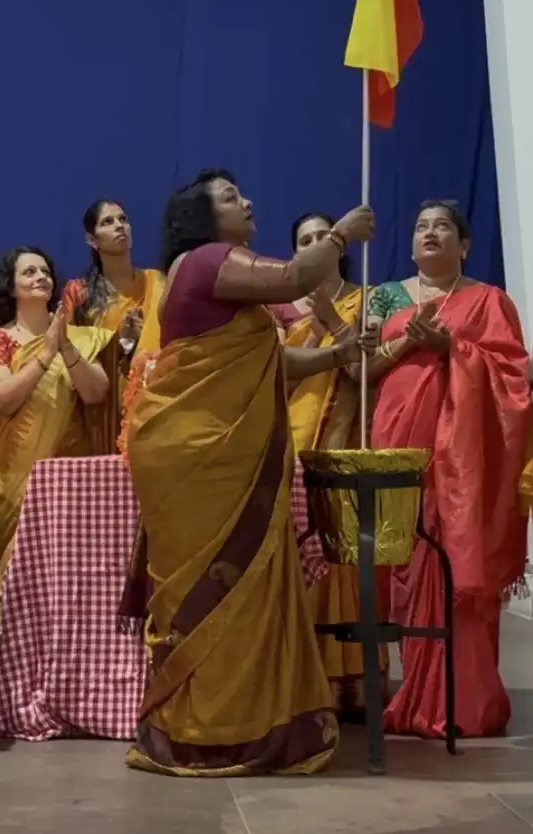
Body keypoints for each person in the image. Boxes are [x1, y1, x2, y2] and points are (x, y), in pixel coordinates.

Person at [123, 171, 374, 776]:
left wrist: (336, 356)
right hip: (199, 458)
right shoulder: (207, 260)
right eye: (233, 198)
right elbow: (294, 277)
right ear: (204, 217)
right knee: (211, 587)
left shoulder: (211, 278)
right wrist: (341, 235)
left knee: (230, 588)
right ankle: (205, 733)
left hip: (208, 456)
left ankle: (231, 726)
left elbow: (268, 360)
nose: (248, 202)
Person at [365, 200, 530, 739]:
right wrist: (403, 344)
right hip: (401, 453)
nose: (429, 233)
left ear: (464, 245)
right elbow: (365, 378)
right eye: (419, 227)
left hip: (463, 466)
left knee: (454, 570)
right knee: (411, 573)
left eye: (441, 227)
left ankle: (464, 702)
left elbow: (515, 382)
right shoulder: (388, 304)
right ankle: (416, 693)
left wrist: (453, 346)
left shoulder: (488, 301)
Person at [271, 212, 380, 719]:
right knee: (298, 560)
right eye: (304, 239)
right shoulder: (277, 312)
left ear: (339, 247)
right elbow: (274, 382)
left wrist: (334, 323)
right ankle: (300, 678)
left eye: (322, 236)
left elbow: (365, 373)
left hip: (342, 442)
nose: (315, 243)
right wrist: (311, 334)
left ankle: (349, 685)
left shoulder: (369, 299)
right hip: (289, 446)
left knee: (339, 563)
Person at [0, 247, 111, 599]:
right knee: (12, 586)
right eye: (29, 272)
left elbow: (96, 392)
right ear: (12, 286)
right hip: (12, 482)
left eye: (45, 272)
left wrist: (64, 345)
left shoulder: (79, 337)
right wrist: (45, 354)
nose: (40, 277)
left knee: (64, 582)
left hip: (66, 482)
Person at [61, 200, 165, 453]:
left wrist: (139, 343)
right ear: (92, 240)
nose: (120, 226)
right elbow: (67, 355)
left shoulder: (156, 282)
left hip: (150, 405)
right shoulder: (79, 294)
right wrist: (120, 342)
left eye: (123, 219)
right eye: (108, 222)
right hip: (98, 413)